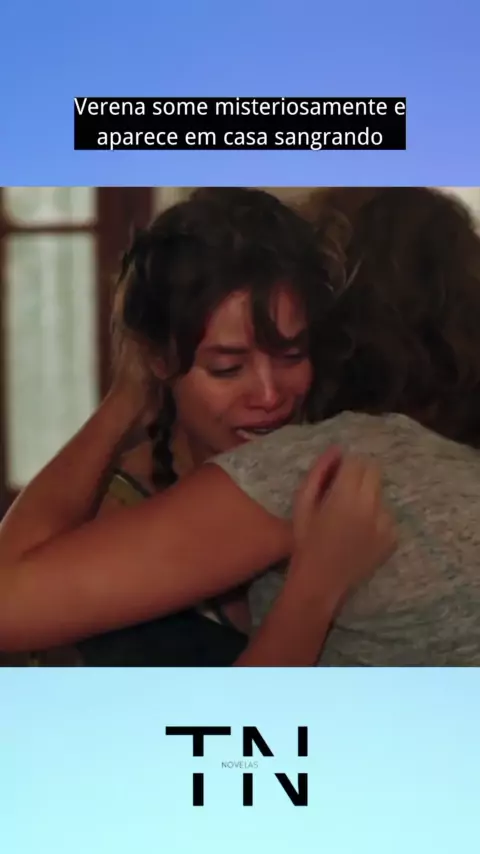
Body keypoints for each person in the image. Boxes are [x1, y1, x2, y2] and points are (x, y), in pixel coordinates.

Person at [0, 187, 395, 667]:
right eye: (227, 368)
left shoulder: (350, 484)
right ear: (159, 360)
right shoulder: (110, 513)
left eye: (292, 355)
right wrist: (127, 398)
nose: (269, 395)